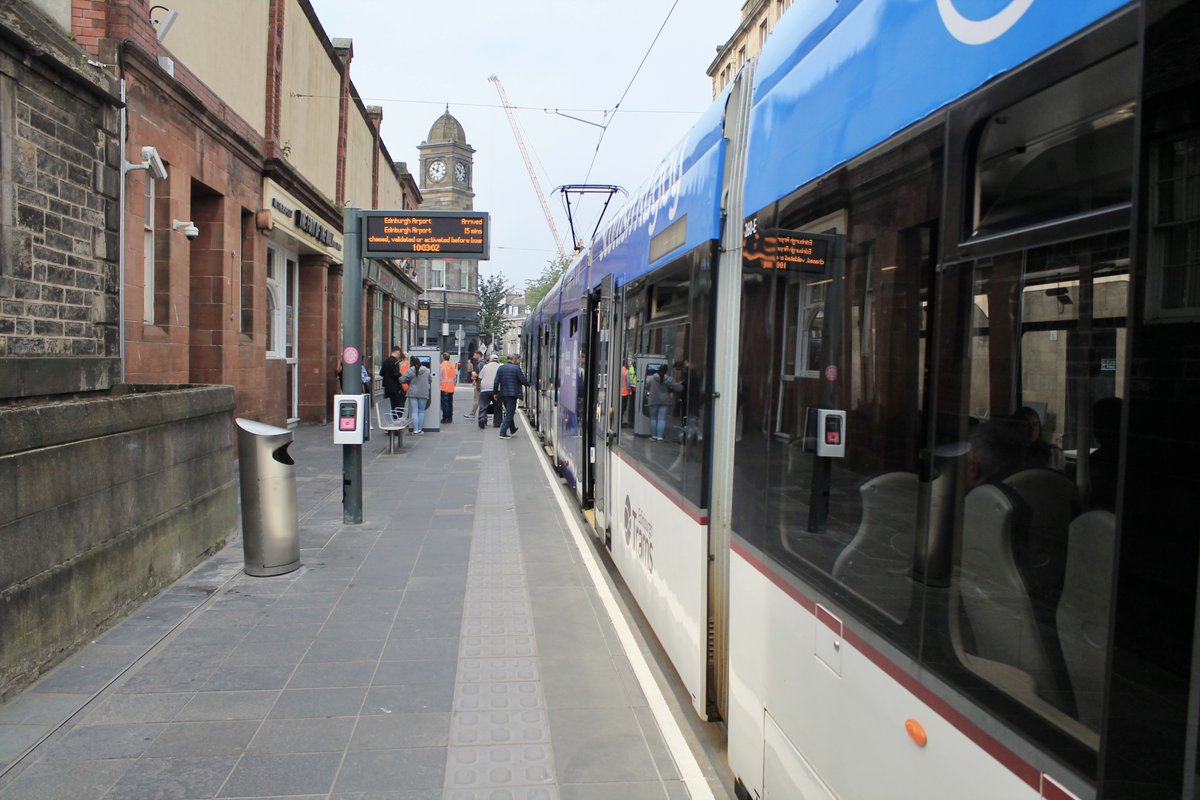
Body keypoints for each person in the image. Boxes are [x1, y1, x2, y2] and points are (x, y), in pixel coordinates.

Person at [1011, 406, 1064, 471]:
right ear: (1016, 427)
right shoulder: (1008, 454)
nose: (1032, 429)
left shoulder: (1054, 453)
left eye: (1035, 424)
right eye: (1025, 425)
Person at [494, 353, 529, 439]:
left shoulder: (501, 368)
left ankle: (512, 428)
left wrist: (495, 393)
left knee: (509, 411)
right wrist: (529, 384)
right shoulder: (516, 368)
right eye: (517, 360)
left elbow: (496, 382)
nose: (517, 361)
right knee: (510, 413)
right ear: (514, 360)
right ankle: (502, 432)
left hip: (503, 394)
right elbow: (522, 380)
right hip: (512, 394)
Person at [645, 364, 682, 442]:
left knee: (653, 419)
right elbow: (679, 388)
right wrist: (671, 389)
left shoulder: (651, 378)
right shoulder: (669, 379)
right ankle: (660, 437)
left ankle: (654, 436)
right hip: (665, 401)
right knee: (661, 419)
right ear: (666, 371)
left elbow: (646, 386)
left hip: (653, 400)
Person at [401, 357, 432, 435]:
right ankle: (420, 430)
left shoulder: (410, 370)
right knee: (421, 411)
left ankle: (415, 430)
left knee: (414, 412)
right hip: (423, 393)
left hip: (413, 393)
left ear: (412, 363)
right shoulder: (427, 370)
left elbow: (402, 379)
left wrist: (408, 380)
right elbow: (430, 380)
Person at [476, 353, 502, 429]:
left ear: (490, 360)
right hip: (496, 390)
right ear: (497, 360)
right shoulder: (500, 367)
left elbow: (480, 378)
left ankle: (482, 418)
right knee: (497, 407)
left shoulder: (485, 367)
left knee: (483, 406)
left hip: (485, 389)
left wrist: (479, 387)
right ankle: (497, 423)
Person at [380, 346, 404, 412]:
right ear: (397, 352)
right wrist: (401, 376)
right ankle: (395, 418)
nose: (399, 355)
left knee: (388, 403)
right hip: (394, 387)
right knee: (395, 404)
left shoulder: (385, 361)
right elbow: (396, 374)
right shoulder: (395, 362)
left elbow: (381, 373)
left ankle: (388, 417)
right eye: (399, 354)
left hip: (387, 387)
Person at [464, 350, 483, 419]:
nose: (473, 356)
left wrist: (474, 374)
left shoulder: (480, 364)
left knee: (476, 400)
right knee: (483, 400)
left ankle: (472, 414)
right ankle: (485, 415)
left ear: (478, 355)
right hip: (481, 384)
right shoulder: (482, 363)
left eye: (474, 355)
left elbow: (481, 374)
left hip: (479, 385)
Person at [439, 352, 457, 424]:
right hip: (451, 387)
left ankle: (445, 418)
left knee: (445, 404)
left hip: (444, 387)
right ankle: (450, 418)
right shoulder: (452, 365)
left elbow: (439, 377)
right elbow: (455, 377)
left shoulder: (441, 366)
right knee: (450, 403)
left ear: (443, 358)